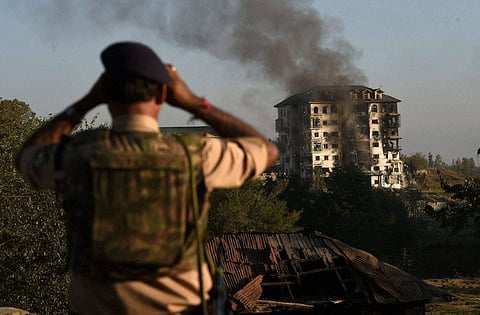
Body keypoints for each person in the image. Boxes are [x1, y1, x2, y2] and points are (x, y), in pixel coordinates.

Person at [15, 42, 279, 315]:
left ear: (105, 92)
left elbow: (26, 156)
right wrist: (194, 103)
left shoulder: (73, 156)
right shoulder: (196, 156)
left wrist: (83, 104)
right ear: (164, 92)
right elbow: (267, 151)